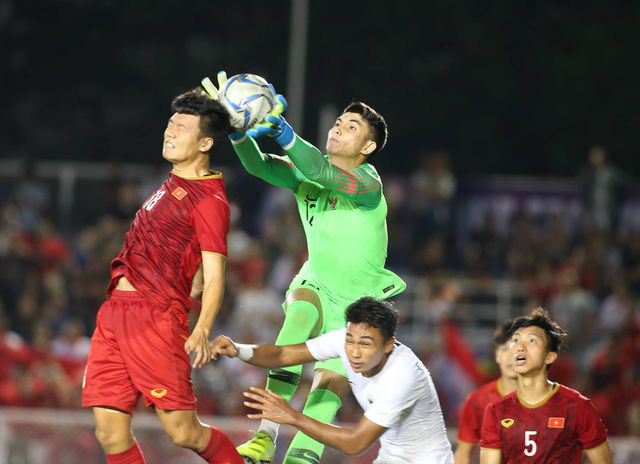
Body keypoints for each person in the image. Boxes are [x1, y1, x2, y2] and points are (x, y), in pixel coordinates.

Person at [203, 72, 406, 463]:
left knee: (327, 385)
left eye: (351, 127)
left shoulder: (368, 184)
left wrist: (284, 133)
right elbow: (261, 167)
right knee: (293, 331)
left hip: (358, 303)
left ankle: (302, 457)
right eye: (337, 122)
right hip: (314, 280)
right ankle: (264, 438)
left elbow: (321, 173)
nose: (338, 129)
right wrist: (237, 130)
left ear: (368, 145)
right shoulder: (306, 172)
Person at [81, 88, 243, 464]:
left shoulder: (210, 200)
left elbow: (216, 273)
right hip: (114, 313)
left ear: (205, 142)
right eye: (170, 124)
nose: (169, 132)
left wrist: (201, 328)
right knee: (108, 432)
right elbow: (195, 269)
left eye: (182, 127)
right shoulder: (170, 182)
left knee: (184, 432)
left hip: (154, 318)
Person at [211, 296, 454, 464]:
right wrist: (238, 350)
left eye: (366, 344)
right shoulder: (346, 341)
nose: (354, 352)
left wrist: (292, 416)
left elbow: (355, 443)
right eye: (350, 340)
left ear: (389, 344)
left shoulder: (403, 376)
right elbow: (284, 354)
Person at [480, 308, 612, 464]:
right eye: (515, 340)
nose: (520, 347)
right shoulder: (496, 410)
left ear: (549, 356)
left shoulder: (578, 406)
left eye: (532, 340)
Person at [454, 319, 517, 464]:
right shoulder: (478, 400)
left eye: (515, 349)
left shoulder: (549, 399)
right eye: (504, 349)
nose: (510, 357)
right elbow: (464, 452)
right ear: (496, 355)